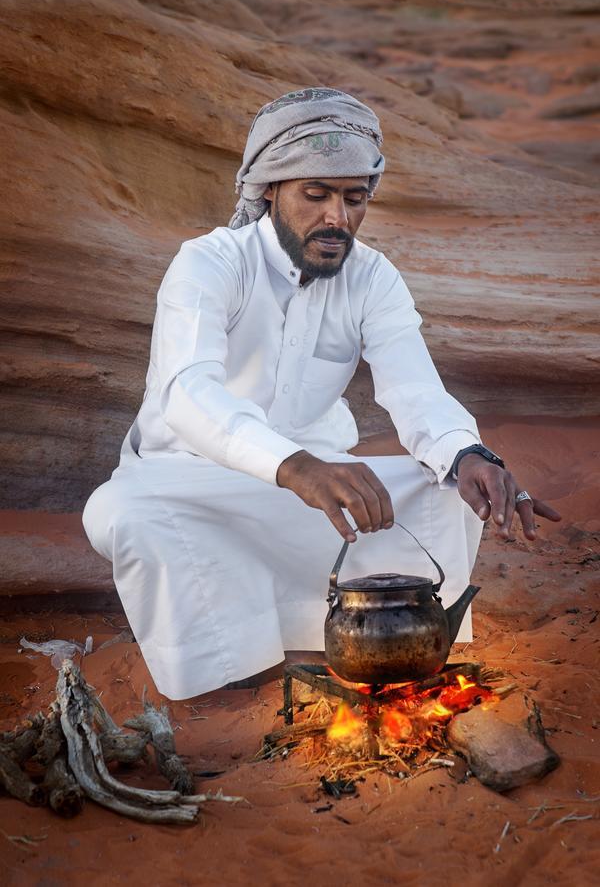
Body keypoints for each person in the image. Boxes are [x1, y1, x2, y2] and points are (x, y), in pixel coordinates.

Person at [83, 87, 560, 701]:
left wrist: (469, 454)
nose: (338, 216)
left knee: (440, 489)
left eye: (354, 198)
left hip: (323, 487)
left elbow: (416, 388)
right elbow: (186, 392)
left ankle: (362, 637)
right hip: (189, 480)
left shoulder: (373, 276)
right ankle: (236, 663)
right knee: (119, 515)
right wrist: (293, 465)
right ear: (270, 189)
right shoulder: (208, 263)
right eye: (317, 195)